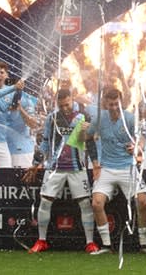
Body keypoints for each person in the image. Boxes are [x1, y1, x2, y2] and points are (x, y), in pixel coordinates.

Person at [23, 88, 99, 254]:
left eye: (67, 104)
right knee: (45, 201)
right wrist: (36, 163)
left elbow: (91, 143)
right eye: (61, 105)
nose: (64, 108)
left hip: (77, 168)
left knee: (85, 204)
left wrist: (96, 165)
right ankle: (42, 241)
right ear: (57, 103)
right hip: (55, 167)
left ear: (72, 99)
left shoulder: (83, 116)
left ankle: (90, 243)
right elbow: (45, 142)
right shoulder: (52, 118)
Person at [86, 87, 146, 255]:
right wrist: (95, 164)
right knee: (96, 203)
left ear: (121, 101)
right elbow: (88, 139)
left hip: (128, 166)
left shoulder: (130, 118)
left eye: (116, 104)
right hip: (107, 167)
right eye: (110, 104)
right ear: (105, 103)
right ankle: (106, 246)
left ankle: (143, 245)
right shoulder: (98, 118)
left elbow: (142, 138)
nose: (113, 108)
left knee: (143, 202)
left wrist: (136, 147)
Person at [6, 94, 38, 168]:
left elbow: (33, 124)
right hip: (2, 150)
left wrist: (20, 108)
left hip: (21, 152)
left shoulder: (25, 100)